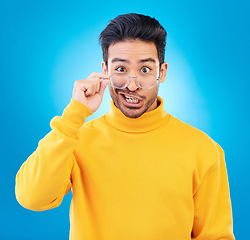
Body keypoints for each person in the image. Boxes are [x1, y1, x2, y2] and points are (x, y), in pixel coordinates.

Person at [15, 13, 235, 240]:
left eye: (145, 70)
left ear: (162, 72)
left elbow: (215, 236)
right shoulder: (75, 138)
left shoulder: (203, 149)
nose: (132, 85)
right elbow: (31, 197)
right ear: (105, 70)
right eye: (120, 69)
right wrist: (74, 114)